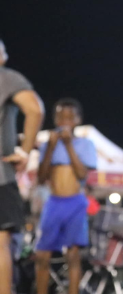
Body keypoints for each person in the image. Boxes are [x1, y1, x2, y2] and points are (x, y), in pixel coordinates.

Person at [34, 98, 97, 294]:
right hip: (53, 202)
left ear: (78, 119)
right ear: (54, 119)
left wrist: (69, 146)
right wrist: (51, 148)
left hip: (75, 202)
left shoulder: (85, 144)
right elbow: (41, 177)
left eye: (70, 117)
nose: (65, 122)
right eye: (61, 117)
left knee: (73, 255)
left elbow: (81, 175)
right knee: (42, 255)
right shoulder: (47, 145)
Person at [0, 36, 45, 294]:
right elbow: (35, 109)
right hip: (1, 175)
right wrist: (25, 151)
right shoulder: (5, 77)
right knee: (1, 243)